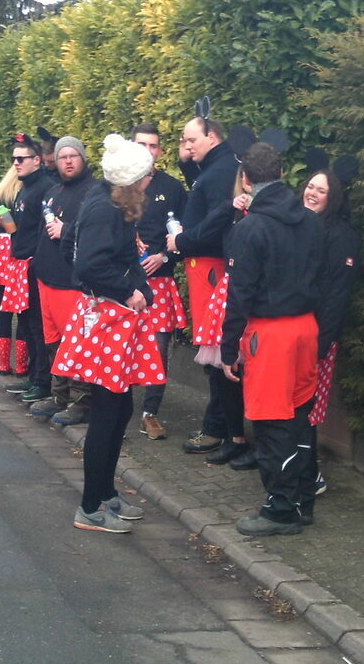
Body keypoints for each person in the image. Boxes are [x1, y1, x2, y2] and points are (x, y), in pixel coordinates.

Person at [56, 134, 162, 532]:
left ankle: (104, 493)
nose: (150, 180)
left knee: (119, 409)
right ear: (131, 180)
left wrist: (137, 287)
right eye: (146, 175)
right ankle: (89, 507)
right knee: (107, 411)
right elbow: (87, 265)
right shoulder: (104, 207)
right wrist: (127, 289)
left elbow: (73, 245)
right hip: (108, 319)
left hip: (115, 317)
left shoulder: (106, 200)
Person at [220, 142, 323, 536]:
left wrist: (229, 348)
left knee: (271, 422)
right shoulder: (311, 222)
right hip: (306, 327)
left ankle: (280, 509)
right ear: (282, 174)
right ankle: (302, 500)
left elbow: (239, 295)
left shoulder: (250, 229)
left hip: (270, 333)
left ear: (246, 179)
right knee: (299, 416)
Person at [165, 110, 240, 455]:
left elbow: (216, 219)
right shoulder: (217, 166)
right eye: (183, 140)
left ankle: (217, 428)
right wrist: (187, 163)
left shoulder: (223, 171)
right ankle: (219, 426)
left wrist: (183, 240)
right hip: (204, 269)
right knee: (212, 350)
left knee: (216, 352)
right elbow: (204, 191)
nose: (186, 145)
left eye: (191, 140)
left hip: (212, 270)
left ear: (212, 137)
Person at [302, 156, 362, 497]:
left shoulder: (341, 237)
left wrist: (320, 344)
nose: (312, 193)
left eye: (321, 190)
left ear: (333, 197)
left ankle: (311, 474)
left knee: (308, 407)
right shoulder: (301, 226)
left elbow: (336, 295)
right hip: (294, 330)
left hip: (317, 337)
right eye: (310, 186)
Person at [29, 136, 98, 426]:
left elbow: (95, 233)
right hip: (46, 279)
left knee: (77, 341)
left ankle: (81, 401)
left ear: (83, 158)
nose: (68, 161)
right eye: (62, 157)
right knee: (54, 342)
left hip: (71, 282)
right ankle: (59, 394)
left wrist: (66, 229)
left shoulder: (93, 192)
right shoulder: (53, 191)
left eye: (73, 155)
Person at [129, 122, 188, 440]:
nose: (148, 151)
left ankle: (149, 414)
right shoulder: (117, 183)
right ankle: (117, 408)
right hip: (124, 284)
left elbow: (186, 236)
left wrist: (165, 257)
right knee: (122, 346)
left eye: (153, 146)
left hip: (160, 282)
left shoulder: (173, 188)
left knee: (158, 351)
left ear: (160, 151)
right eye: (141, 145)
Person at [5, 134, 56, 403]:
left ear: (37, 160)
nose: (16, 163)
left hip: (35, 265)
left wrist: (37, 262)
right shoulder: (24, 188)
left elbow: (45, 231)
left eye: (21, 158)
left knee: (38, 324)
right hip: (21, 263)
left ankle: (42, 381)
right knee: (25, 322)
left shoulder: (45, 188)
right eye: (14, 158)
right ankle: (35, 377)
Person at [0, 142, 28, 377]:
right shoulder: (22, 194)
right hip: (15, 247)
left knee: (3, 307)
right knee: (22, 309)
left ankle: (3, 364)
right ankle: (21, 365)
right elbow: (15, 228)